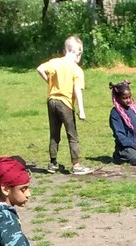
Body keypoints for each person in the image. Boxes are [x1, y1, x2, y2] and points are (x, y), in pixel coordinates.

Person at [36, 37, 92, 176]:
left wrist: (49, 81)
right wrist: (82, 111)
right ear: (78, 52)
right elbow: (77, 90)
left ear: (64, 50)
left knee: (54, 134)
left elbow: (40, 68)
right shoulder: (77, 70)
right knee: (72, 134)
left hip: (51, 101)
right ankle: (76, 165)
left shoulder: (55, 62)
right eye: (80, 54)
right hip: (65, 103)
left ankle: (53, 163)